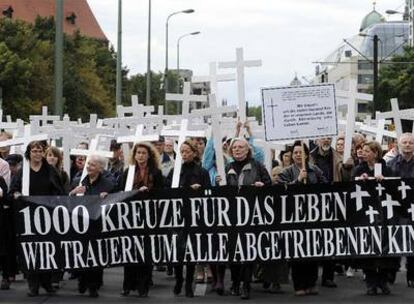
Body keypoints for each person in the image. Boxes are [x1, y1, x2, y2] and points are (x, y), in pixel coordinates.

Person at [10, 141, 65, 297]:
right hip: (28, 217)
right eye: (33, 151)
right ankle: (33, 284)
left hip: (48, 216)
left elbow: (59, 191)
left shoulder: (50, 170)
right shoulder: (23, 171)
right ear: (29, 153)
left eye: (39, 150)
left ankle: (47, 283)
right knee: (32, 250)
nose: (37, 153)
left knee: (48, 249)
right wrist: (16, 195)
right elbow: (13, 190)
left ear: (43, 152)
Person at [220, 137, 271, 300]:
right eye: (234, 147)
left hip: (251, 216)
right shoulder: (227, 167)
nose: (237, 150)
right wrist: (218, 183)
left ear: (248, 150)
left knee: (248, 251)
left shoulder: (258, 166)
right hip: (232, 217)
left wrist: (262, 187)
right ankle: (235, 282)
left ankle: (246, 285)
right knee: (234, 251)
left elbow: (269, 185)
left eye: (241, 147)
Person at [277, 140, 327, 296]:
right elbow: (280, 191)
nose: (298, 155)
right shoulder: (286, 172)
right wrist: (297, 181)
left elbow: (326, 187)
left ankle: (311, 283)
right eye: (296, 152)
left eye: (301, 152)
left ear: (306, 154)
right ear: (292, 155)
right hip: (294, 217)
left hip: (312, 216)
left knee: (311, 251)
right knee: (297, 251)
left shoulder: (315, 170)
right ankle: (299, 284)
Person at [351, 140, 399, 295]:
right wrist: (361, 180)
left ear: (375, 153)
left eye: (367, 151)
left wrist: (384, 181)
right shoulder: (359, 169)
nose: (363, 153)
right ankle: (371, 282)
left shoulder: (387, 169)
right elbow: (351, 187)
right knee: (369, 247)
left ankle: (383, 281)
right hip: (366, 214)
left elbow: (395, 188)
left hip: (384, 214)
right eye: (363, 150)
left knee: (385, 246)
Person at [165, 140, 210, 298]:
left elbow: (208, 194)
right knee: (178, 250)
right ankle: (179, 279)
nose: (184, 154)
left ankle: (189, 283)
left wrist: (200, 190)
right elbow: (167, 192)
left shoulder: (202, 172)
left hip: (195, 217)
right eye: (182, 151)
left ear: (194, 153)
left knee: (191, 251)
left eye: (187, 151)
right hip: (177, 216)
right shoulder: (174, 172)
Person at [120, 142, 163, 297]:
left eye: (144, 153)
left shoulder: (156, 173)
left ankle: (143, 286)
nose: (140, 156)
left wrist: (148, 191)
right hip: (130, 217)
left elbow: (161, 194)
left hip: (149, 217)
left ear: (149, 155)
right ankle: (127, 285)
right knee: (130, 251)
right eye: (138, 153)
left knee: (145, 251)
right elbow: (120, 192)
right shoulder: (128, 172)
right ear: (134, 155)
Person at [70, 155, 116, 298]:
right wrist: (72, 193)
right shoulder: (78, 181)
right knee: (82, 254)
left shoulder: (108, 185)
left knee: (96, 256)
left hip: (98, 225)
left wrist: (107, 197)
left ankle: (94, 286)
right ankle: (82, 281)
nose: (89, 167)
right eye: (88, 164)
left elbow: (114, 202)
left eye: (93, 165)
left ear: (101, 169)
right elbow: (68, 200)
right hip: (81, 224)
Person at [310, 137, 345, 288]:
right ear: (317, 139)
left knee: (330, 239)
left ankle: (328, 276)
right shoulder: (309, 156)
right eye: (323, 137)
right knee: (312, 240)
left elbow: (346, 179)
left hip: (332, 201)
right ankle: (311, 277)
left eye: (329, 137)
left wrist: (348, 168)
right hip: (313, 203)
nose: (326, 140)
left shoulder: (339, 157)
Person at [387, 133, 414, 288]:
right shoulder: (390, 164)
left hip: (413, 208)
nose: (408, 145)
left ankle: (412, 275)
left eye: (411, 142)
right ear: (398, 145)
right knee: (395, 241)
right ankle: (391, 273)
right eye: (405, 142)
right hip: (396, 209)